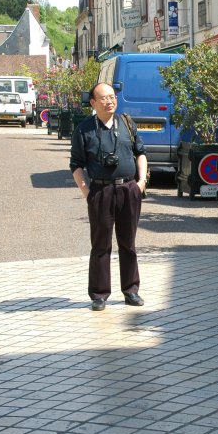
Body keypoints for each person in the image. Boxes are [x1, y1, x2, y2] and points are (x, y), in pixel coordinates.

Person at [69, 83, 149, 312]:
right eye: (104, 98)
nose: (110, 101)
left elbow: (141, 153)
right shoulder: (84, 130)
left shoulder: (127, 123)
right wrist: (87, 193)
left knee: (128, 243)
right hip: (100, 191)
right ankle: (99, 294)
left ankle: (131, 290)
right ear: (93, 103)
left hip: (128, 189)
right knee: (101, 245)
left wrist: (141, 183)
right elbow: (76, 165)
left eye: (112, 97)